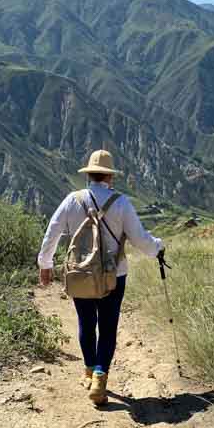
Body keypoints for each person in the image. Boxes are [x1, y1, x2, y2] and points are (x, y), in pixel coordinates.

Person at [37, 149, 164, 405]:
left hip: (80, 273)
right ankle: (99, 377)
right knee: (107, 327)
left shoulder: (72, 200)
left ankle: (87, 369)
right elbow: (140, 239)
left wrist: (45, 263)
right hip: (112, 275)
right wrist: (158, 247)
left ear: (89, 175)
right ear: (109, 177)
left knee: (86, 322)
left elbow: (53, 231)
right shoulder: (121, 202)